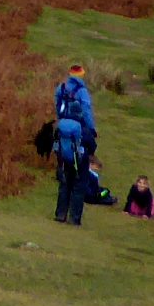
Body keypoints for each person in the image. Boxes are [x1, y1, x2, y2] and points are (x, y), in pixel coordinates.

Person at [51, 65, 98, 226]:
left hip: (63, 147)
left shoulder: (62, 87)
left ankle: (60, 214)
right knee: (79, 184)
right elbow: (87, 110)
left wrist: (60, 119)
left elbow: (57, 104)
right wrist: (92, 130)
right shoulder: (82, 92)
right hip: (79, 148)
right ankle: (74, 218)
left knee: (65, 182)